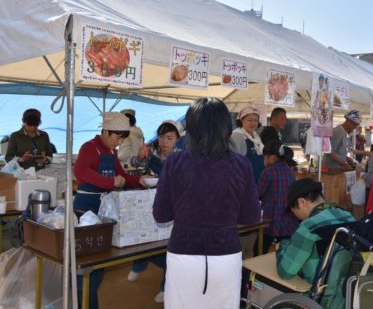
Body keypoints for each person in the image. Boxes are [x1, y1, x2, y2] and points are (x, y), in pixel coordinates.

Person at [152, 98, 261, 308]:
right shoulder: (241, 164)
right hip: (225, 253)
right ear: (226, 126)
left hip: (183, 251)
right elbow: (251, 216)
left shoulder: (175, 162)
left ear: (191, 127)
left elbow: (161, 214)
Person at [74, 112, 147, 309]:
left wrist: (138, 181)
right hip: (85, 211)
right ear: (106, 131)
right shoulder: (89, 147)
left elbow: (121, 175)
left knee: (98, 264)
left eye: (123, 138)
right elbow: (80, 171)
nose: (119, 142)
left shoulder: (111, 153)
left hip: (102, 211)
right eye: (117, 137)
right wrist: (109, 182)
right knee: (86, 265)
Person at [127, 119, 183, 303]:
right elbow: (135, 164)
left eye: (169, 138)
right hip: (148, 201)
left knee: (170, 247)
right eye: (161, 137)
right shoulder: (151, 152)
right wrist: (140, 158)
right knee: (143, 238)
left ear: (177, 139)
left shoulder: (182, 157)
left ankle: (165, 287)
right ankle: (139, 264)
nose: (164, 142)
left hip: (171, 205)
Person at [276, 178, 355, 307]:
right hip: (343, 296)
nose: (296, 217)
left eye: (294, 212)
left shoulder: (308, 228)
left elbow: (285, 272)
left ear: (302, 202)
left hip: (315, 299)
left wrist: (282, 247)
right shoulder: (348, 216)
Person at [256, 141, 299, 255]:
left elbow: (257, 194)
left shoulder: (268, 172)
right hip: (289, 222)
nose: (264, 160)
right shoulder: (291, 172)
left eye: (265, 157)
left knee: (258, 252)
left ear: (272, 157)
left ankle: (257, 272)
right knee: (282, 253)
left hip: (271, 221)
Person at [230, 106, 264, 183]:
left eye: (256, 120)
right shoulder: (237, 136)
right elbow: (233, 163)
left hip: (257, 181)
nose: (253, 123)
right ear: (241, 120)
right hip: (244, 182)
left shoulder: (256, 137)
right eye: (249, 120)